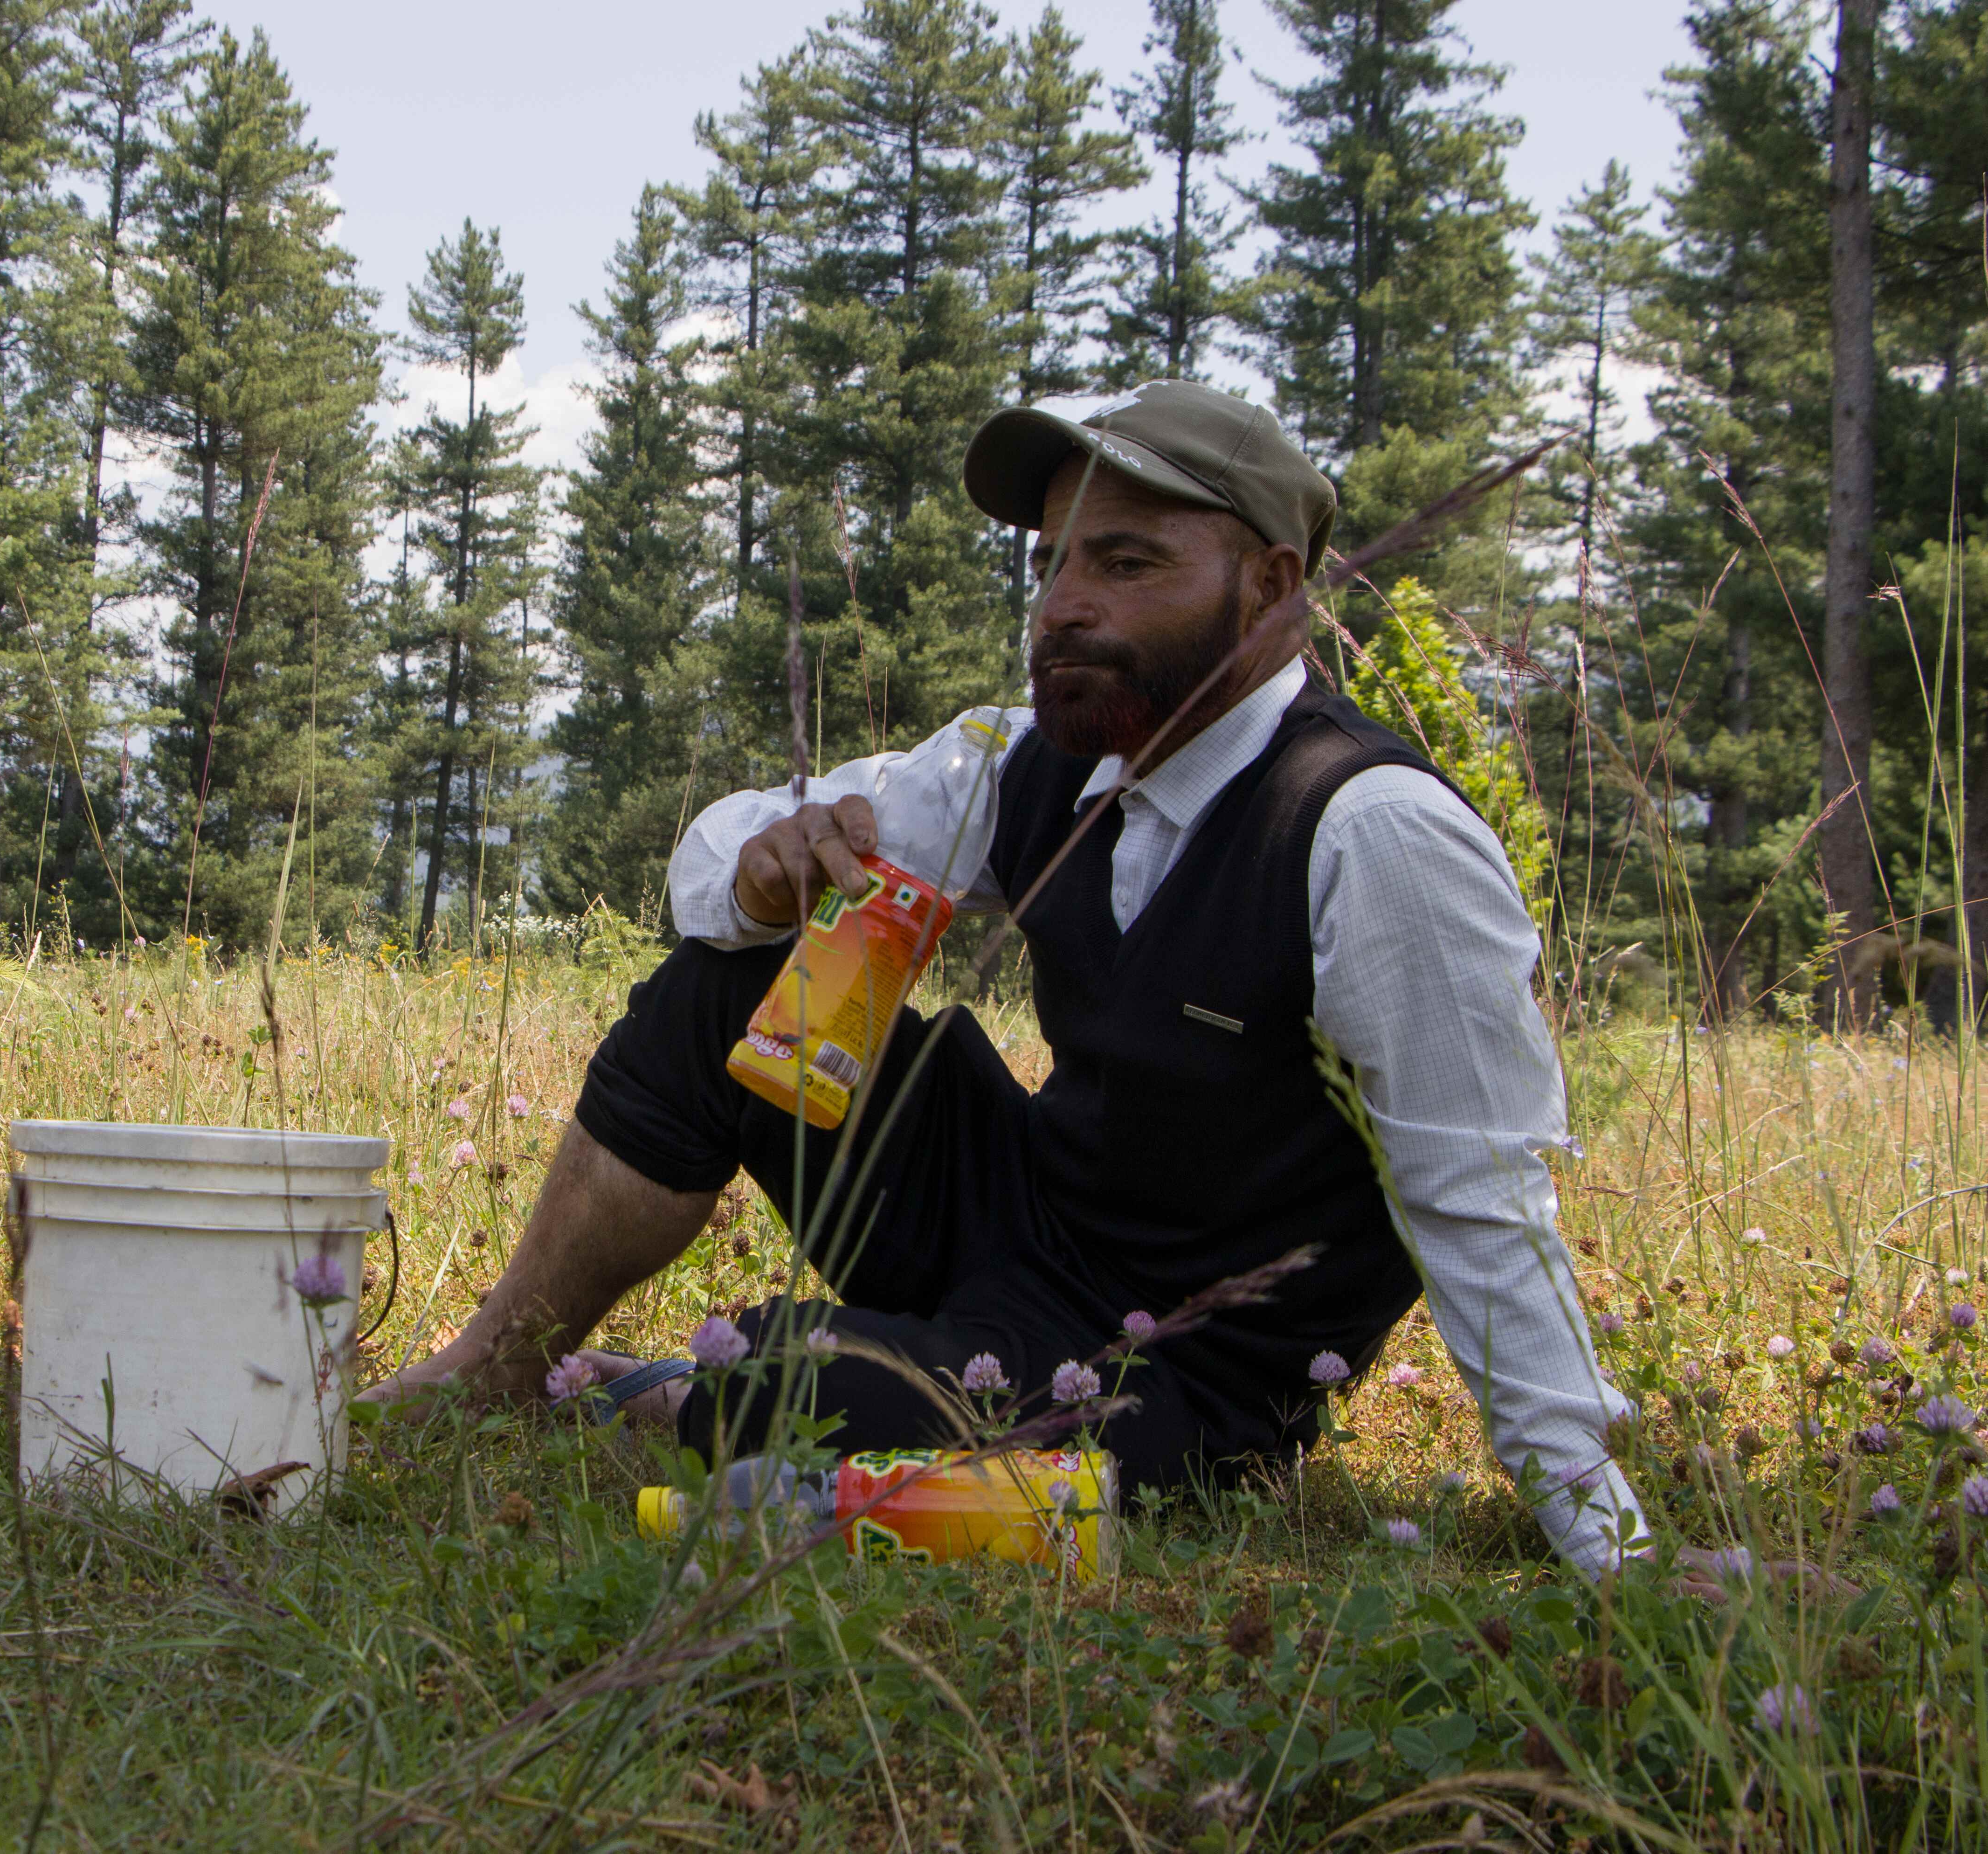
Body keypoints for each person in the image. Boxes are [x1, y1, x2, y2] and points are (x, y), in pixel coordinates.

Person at [366, 379, 1645, 1577]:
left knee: (772, 1398)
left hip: (1171, 1368)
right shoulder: (1028, 762)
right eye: (1052, 565)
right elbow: (726, 850)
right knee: (726, 986)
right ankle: (494, 1366)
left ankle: (665, 1390)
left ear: (1268, 586)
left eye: (1125, 562)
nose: (1062, 606)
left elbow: (1481, 1192)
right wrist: (761, 878)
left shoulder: (1368, 834)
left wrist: (1599, 1535)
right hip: (1017, 1219)